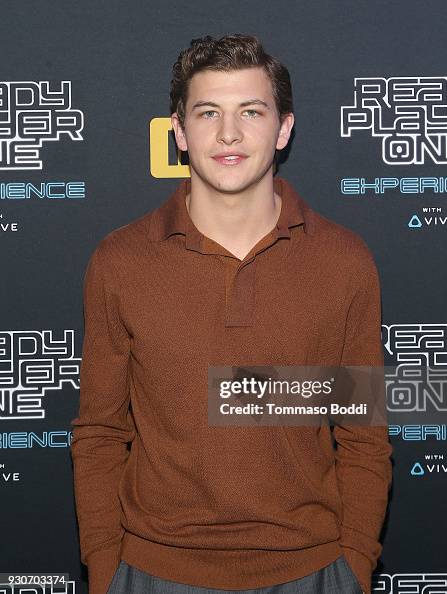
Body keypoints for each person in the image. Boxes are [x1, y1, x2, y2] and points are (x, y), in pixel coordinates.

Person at [70, 33, 392, 594]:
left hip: (313, 572)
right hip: (151, 572)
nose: (229, 134)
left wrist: (355, 564)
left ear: (284, 128)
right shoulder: (120, 261)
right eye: (208, 112)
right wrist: (104, 569)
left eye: (251, 111)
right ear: (179, 130)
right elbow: (99, 433)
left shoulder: (344, 261)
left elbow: (362, 436)